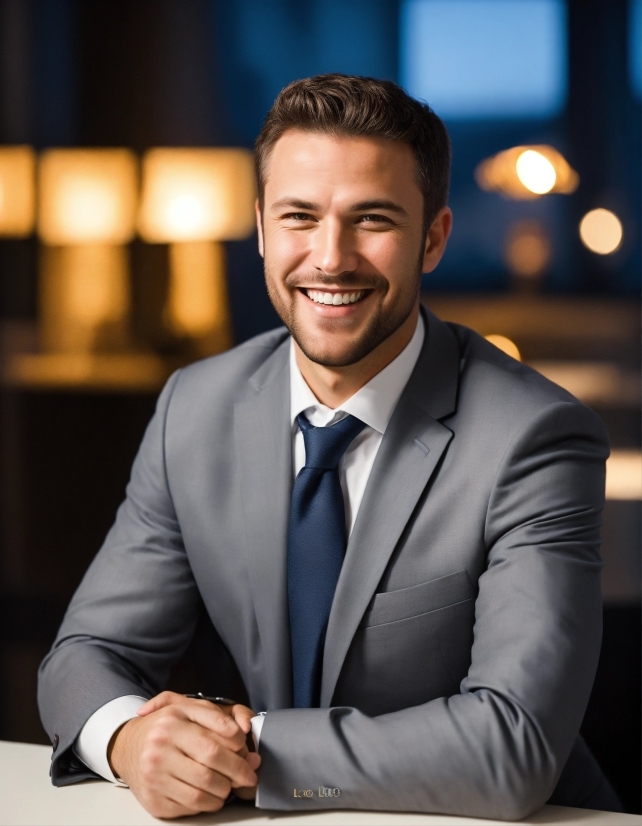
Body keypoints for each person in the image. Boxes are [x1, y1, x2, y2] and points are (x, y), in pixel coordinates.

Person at [38, 74, 620, 820]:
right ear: (260, 228)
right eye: (299, 217)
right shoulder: (196, 407)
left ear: (433, 238)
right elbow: (85, 655)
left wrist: (245, 752)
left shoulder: (534, 437)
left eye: (371, 219)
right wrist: (124, 739)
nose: (330, 257)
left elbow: (514, 743)